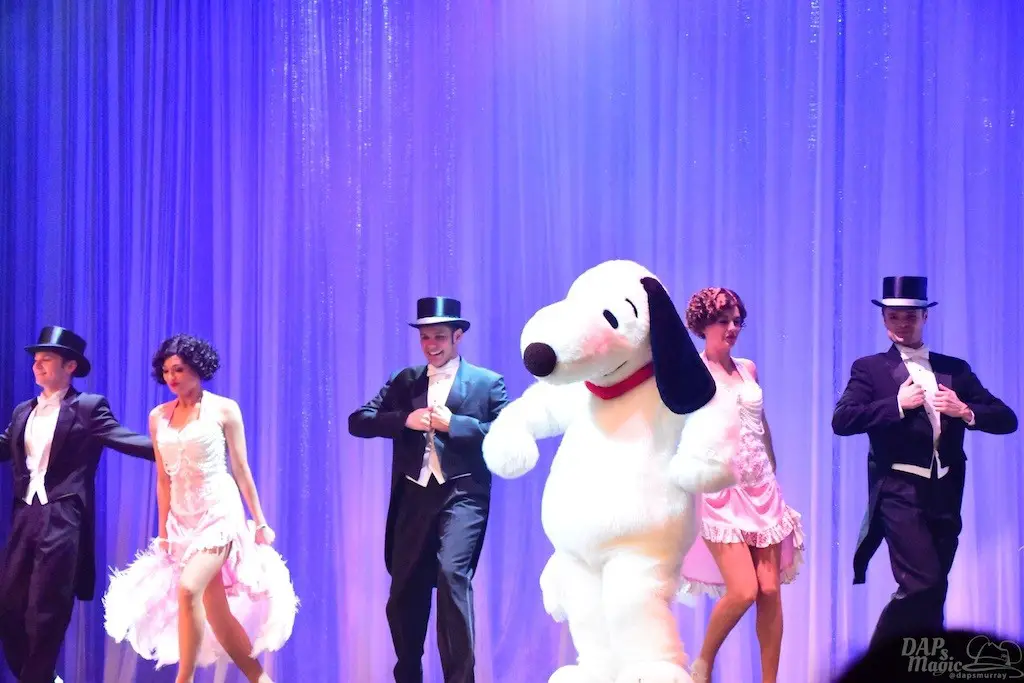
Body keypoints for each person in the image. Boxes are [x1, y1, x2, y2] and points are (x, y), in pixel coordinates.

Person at [832, 276, 1017, 648]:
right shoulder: (870, 369)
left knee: (934, 591)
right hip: (899, 489)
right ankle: (877, 664)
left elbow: (1006, 419)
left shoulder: (955, 369)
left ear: (925, 317)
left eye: (910, 316)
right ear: (884, 319)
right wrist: (897, 404)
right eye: (894, 316)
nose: (902, 324)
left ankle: (924, 665)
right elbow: (842, 420)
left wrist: (965, 410)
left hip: (945, 491)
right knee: (923, 583)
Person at [103, 334, 297, 683]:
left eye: (179, 369)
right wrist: (163, 530)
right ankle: (261, 679)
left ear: (197, 368)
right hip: (182, 519)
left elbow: (241, 469)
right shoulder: (158, 416)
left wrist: (259, 521)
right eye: (166, 371)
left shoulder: (224, 409)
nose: (172, 377)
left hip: (219, 512)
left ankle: (185, 679)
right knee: (217, 613)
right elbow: (163, 479)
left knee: (188, 588)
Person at [349, 296, 508, 683]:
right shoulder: (405, 380)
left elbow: (507, 435)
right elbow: (359, 420)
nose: (431, 345)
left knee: (452, 576)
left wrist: (458, 425)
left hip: (462, 495)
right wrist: (406, 419)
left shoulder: (487, 383)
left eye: (438, 336)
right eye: (424, 337)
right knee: (405, 592)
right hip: (413, 496)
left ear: (457, 336)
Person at [0, 325, 155, 683]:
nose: (37, 366)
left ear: (70, 366)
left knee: (46, 607)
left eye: (46, 359)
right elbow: (5, 446)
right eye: (36, 360)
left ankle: (36, 678)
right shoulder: (24, 411)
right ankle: (41, 677)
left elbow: (123, 438)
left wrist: (177, 448)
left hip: (62, 516)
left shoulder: (87, 407)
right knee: (9, 606)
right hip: (25, 515)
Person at [677, 288, 804, 683]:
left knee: (770, 590)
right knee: (744, 590)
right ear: (704, 325)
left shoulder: (748, 368)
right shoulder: (693, 373)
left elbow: (760, 424)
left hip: (761, 488)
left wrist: (772, 466)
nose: (732, 328)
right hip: (721, 492)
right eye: (723, 321)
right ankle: (703, 664)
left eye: (737, 321)